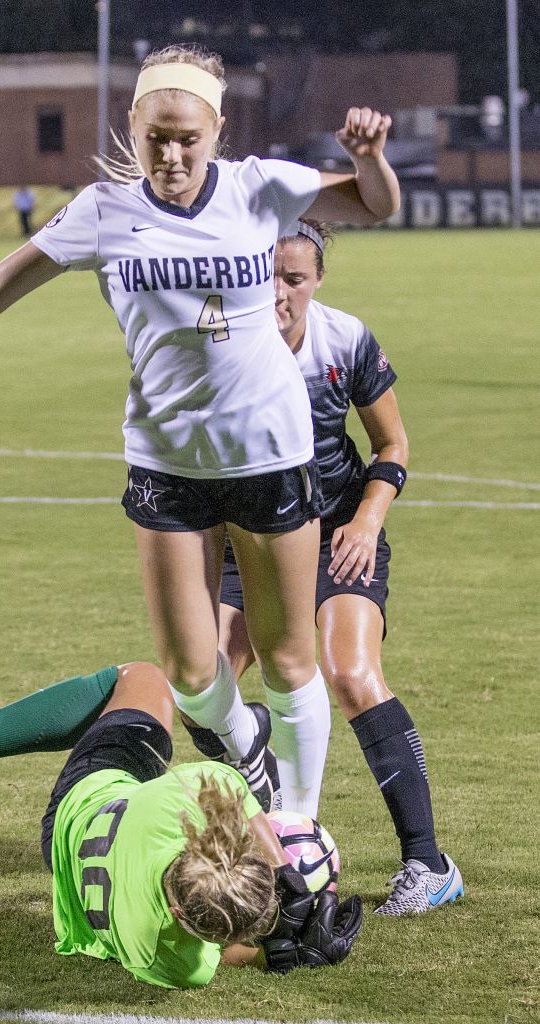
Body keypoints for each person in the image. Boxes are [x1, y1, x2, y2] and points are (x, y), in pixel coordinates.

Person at [0, 45, 400, 819]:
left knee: (286, 659)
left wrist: (371, 159)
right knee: (188, 674)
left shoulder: (259, 188)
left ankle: (298, 829)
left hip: (270, 456)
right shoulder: (102, 213)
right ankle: (247, 745)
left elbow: (373, 205)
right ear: (133, 126)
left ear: (216, 130)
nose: (172, 155)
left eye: (189, 138)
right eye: (156, 138)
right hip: (166, 465)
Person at [194, 220, 462, 915]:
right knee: (202, 685)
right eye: (267, 276)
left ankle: (428, 865)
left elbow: (392, 443)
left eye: (295, 278)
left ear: (315, 281)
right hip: (250, 537)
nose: (279, 291)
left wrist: (368, 520)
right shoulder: (215, 338)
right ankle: (277, 810)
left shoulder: (343, 341)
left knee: (348, 671)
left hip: (338, 531)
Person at [0, 660, 362, 987]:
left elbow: (228, 788)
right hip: (62, 855)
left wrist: (283, 874)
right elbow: (223, 952)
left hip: (90, 792)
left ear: (203, 851)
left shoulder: (172, 807)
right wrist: (277, 957)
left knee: (142, 677)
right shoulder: (170, 959)